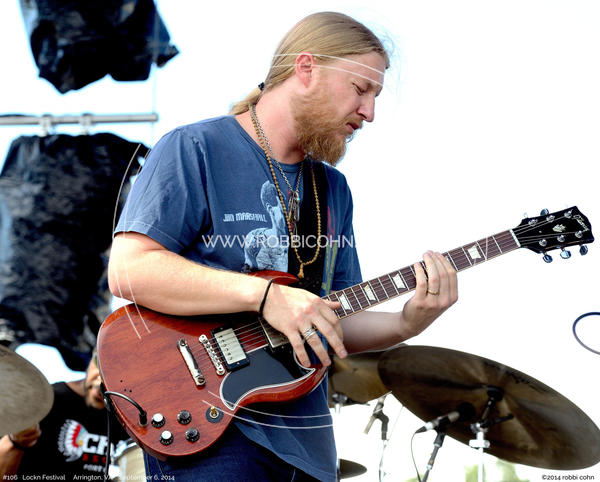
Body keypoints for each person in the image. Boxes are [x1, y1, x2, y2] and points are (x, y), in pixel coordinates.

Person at [107, 11, 458, 482]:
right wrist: (266, 296)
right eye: (360, 89)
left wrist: (407, 322)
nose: (369, 112)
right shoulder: (195, 147)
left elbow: (333, 318)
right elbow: (129, 270)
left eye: (375, 96)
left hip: (309, 447)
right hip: (211, 427)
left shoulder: (333, 190)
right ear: (306, 68)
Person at [0, 350, 129, 478]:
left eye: (117, 375)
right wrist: (17, 441)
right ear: (93, 356)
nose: (102, 379)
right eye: (100, 364)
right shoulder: (45, 401)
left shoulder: (131, 417)